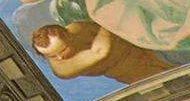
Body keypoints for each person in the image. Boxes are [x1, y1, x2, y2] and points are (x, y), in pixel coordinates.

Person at [31, 22, 172, 84]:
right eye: (51, 56)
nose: (59, 57)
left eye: (61, 50)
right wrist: (106, 21)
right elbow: (100, 52)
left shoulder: (76, 27)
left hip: (144, 48)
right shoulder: (62, 69)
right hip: (133, 70)